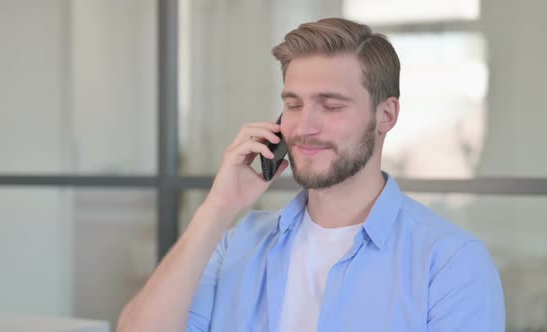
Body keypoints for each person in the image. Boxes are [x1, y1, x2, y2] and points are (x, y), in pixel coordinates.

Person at [117, 18, 505, 332]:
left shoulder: (451, 263)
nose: (304, 126)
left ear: (386, 115)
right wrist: (218, 208)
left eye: (331, 106)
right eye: (294, 104)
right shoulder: (237, 244)